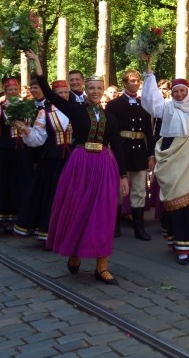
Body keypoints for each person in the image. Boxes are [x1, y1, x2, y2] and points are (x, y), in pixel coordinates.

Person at [27, 50, 129, 285]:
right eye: (91, 87)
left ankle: (102, 266)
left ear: (103, 91)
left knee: (103, 213)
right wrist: (38, 66)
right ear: (85, 88)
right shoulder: (76, 109)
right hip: (81, 163)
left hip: (104, 165)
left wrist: (123, 175)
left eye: (98, 88)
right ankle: (74, 253)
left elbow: (118, 147)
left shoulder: (110, 117)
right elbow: (50, 95)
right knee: (79, 209)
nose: (95, 92)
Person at [140, 54, 189, 265]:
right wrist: (149, 72)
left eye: (182, 90)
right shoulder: (165, 108)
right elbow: (149, 101)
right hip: (172, 163)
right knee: (176, 203)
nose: (179, 94)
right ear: (171, 94)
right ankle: (180, 247)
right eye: (175, 91)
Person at [13, 79, 73, 241]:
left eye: (66, 92)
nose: (63, 95)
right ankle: (51, 232)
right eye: (59, 93)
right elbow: (38, 139)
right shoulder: (45, 113)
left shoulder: (78, 110)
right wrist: (26, 130)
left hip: (73, 161)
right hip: (52, 162)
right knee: (52, 196)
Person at [106, 69, 156, 241]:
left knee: (139, 191)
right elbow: (109, 132)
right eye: (132, 81)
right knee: (120, 190)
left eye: (138, 81)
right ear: (124, 83)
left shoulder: (145, 105)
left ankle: (139, 227)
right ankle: (115, 225)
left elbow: (149, 132)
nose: (135, 84)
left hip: (140, 153)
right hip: (122, 151)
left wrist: (151, 155)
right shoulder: (114, 105)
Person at [0, 77, 35, 232]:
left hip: (23, 149)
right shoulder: (0, 108)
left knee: (24, 181)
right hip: (6, 150)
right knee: (6, 182)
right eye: (10, 89)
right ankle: (6, 216)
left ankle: (23, 216)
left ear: (19, 90)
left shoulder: (27, 105)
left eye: (15, 89)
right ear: (5, 91)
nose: (13, 92)